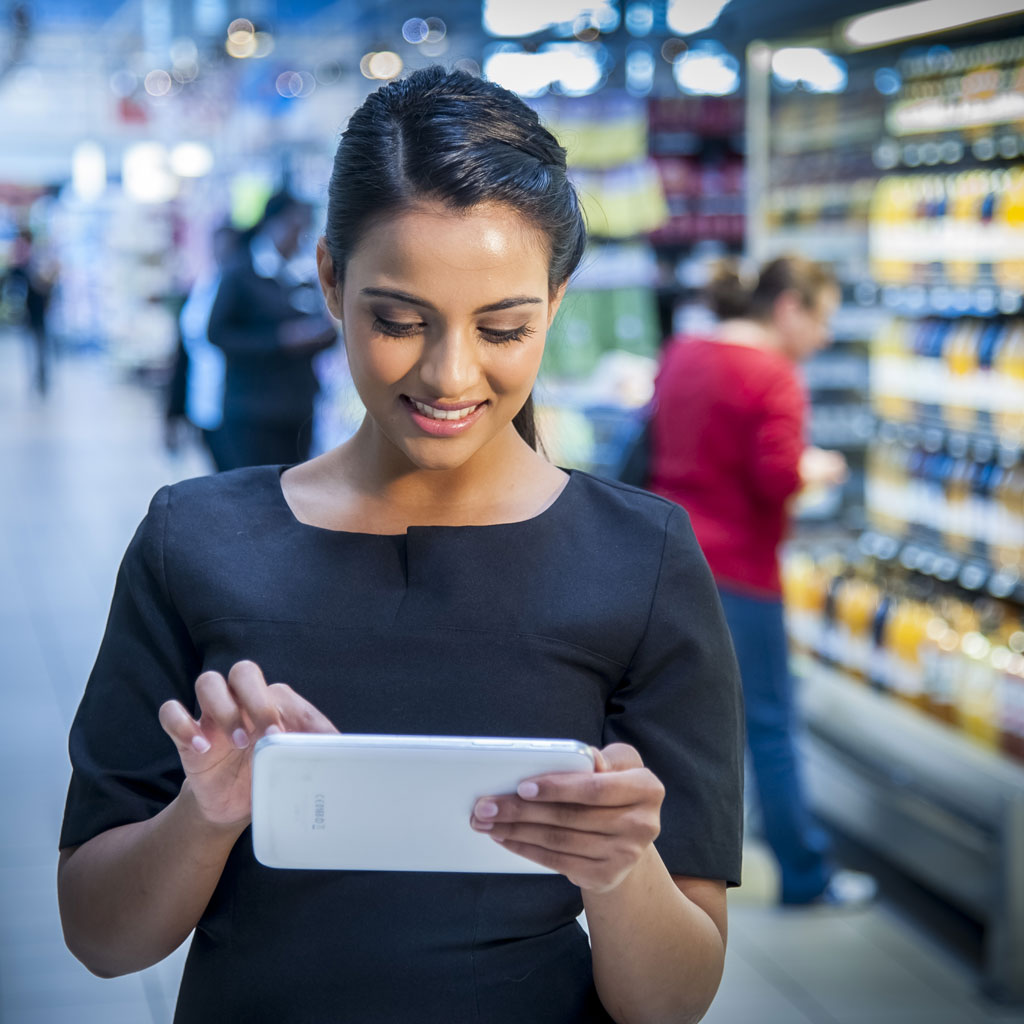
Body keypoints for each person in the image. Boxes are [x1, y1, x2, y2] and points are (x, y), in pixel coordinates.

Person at [57, 67, 744, 1024]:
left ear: (556, 299)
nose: (449, 374)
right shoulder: (196, 538)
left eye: (503, 327)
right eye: (398, 320)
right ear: (331, 281)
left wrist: (619, 871)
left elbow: (672, 1002)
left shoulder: (644, 559)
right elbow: (99, 935)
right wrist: (205, 813)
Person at [648, 257, 876, 908]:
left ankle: (658, 868)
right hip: (740, 572)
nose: (826, 336)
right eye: (823, 318)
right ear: (787, 309)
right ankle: (805, 871)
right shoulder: (773, 374)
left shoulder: (685, 350)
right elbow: (776, 477)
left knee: (673, 721)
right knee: (770, 723)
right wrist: (819, 471)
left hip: (669, 561)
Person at [206, 190, 337, 468]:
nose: (298, 234)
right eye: (293, 225)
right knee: (256, 494)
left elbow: (327, 331)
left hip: (298, 407)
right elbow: (217, 334)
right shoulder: (241, 272)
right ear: (271, 224)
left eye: (303, 227)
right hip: (253, 410)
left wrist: (321, 334)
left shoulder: (305, 273)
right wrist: (279, 341)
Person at [177, 224, 242, 470]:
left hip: (235, 403)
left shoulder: (245, 288)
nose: (222, 252)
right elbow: (183, 350)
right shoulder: (205, 284)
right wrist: (174, 411)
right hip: (203, 400)